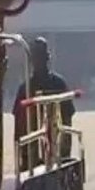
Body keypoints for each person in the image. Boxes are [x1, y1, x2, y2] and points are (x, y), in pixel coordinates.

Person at [13, 37, 76, 166]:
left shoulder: (59, 84)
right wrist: (23, 157)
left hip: (56, 152)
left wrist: (65, 155)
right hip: (31, 155)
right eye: (37, 58)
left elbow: (67, 123)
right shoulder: (25, 89)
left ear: (47, 59)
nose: (39, 62)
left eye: (40, 58)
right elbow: (18, 127)